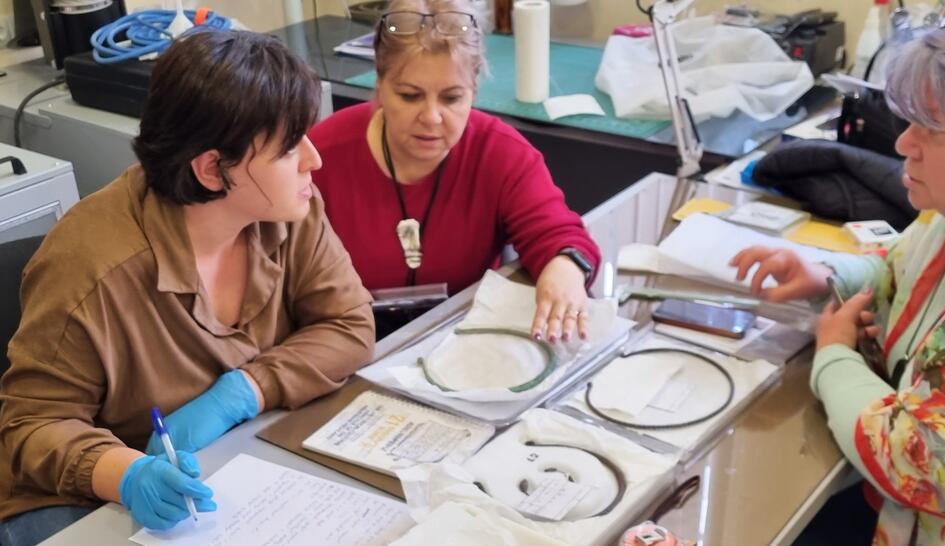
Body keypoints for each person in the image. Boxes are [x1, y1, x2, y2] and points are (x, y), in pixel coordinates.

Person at [0, 30, 375, 545]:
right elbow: (32, 425)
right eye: (290, 147)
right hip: (82, 499)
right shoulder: (88, 267)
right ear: (213, 169)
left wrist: (246, 390)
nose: (314, 160)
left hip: (236, 460)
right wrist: (126, 474)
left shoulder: (288, 211)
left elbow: (350, 323)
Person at [730, 3, 945, 544]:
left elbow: (913, 460)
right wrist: (826, 273)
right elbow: (897, 267)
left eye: (933, 131)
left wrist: (833, 357)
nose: (902, 145)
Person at [309, 0, 600, 341]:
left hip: (462, 341)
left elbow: (558, 235)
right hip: (344, 345)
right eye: (409, 96)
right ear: (380, 83)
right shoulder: (320, 157)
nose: (432, 117)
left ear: (474, 89)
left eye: (451, 99)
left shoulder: (501, 153)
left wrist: (564, 270)